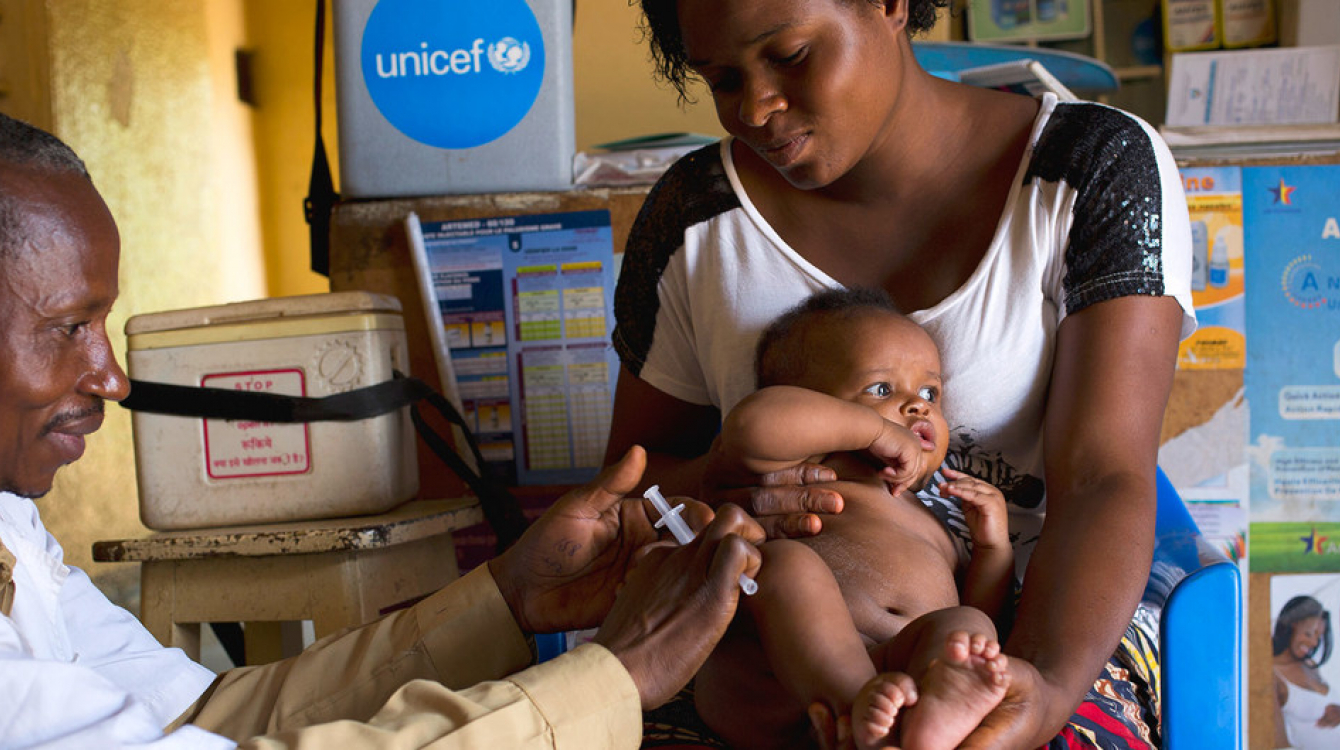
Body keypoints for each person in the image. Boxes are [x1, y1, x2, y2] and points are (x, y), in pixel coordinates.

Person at [0, 111, 765, 748]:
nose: (113, 377)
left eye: (101, 323)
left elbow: (197, 717)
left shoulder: (13, 532)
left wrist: (507, 600)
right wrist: (616, 676)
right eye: (67, 327)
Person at [606, 0, 1195, 746]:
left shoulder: (1091, 169)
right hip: (759, 649)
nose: (755, 108)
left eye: (788, 55)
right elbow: (636, 484)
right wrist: (719, 481)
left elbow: (1102, 478)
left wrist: (1040, 686)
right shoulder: (694, 216)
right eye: (721, 78)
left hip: (1026, 630)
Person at [694, 288, 1014, 750]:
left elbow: (982, 610)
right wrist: (877, 431)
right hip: (777, 678)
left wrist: (991, 550)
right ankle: (853, 709)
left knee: (967, 628)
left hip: (896, 672)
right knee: (782, 565)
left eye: (930, 393)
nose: (917, 406)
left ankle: (929, 724)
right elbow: (750, 427)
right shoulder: (803, 473)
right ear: (808, 403)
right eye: (881, 389)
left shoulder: (933, 523)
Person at [1273, 595, 1340, 749]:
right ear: (1290, 627)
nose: (1314, 643)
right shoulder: (1272, 674)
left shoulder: (1310, 665)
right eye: (1309, 633)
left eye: (1319, 636)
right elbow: (1278, 743)